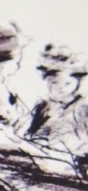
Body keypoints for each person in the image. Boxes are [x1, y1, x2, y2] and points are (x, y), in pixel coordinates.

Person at [25, 44, 88, 174]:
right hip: (44, 160)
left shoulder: (83, 108)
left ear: (77, 82)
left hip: (76, 162)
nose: (61, 88)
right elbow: (32, 133)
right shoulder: (43, 106)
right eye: (54, 83)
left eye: (67, 83)